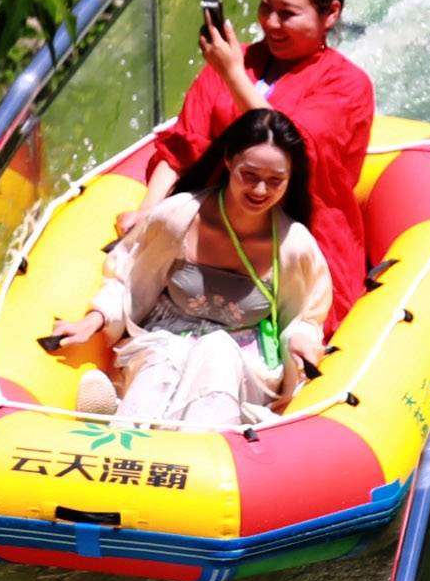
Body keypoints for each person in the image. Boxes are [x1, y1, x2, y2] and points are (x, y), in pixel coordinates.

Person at [46, 110, 336, 429]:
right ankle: (125, 425)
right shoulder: (179, 217)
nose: (261, 191)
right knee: (164, 355)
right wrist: (94, 319)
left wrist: (300, 340)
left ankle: (187, 442)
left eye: (275, 181)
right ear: (228, 161)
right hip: (164, 337)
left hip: (242, 358)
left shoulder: (293, 245)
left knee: (217, 351)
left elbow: (302, 318)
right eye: (250, 176)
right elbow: (129, 280)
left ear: (290, 178)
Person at [155, 0, 383, 277]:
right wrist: (148, 217)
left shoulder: (348, 84)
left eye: (287, 14)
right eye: (266, 8)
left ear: (331, 13)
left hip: (294, 242)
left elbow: (294, 150)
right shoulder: (238, 58)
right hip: (208, 228)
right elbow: (183, 146)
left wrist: (232, 75)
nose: (271, 23)